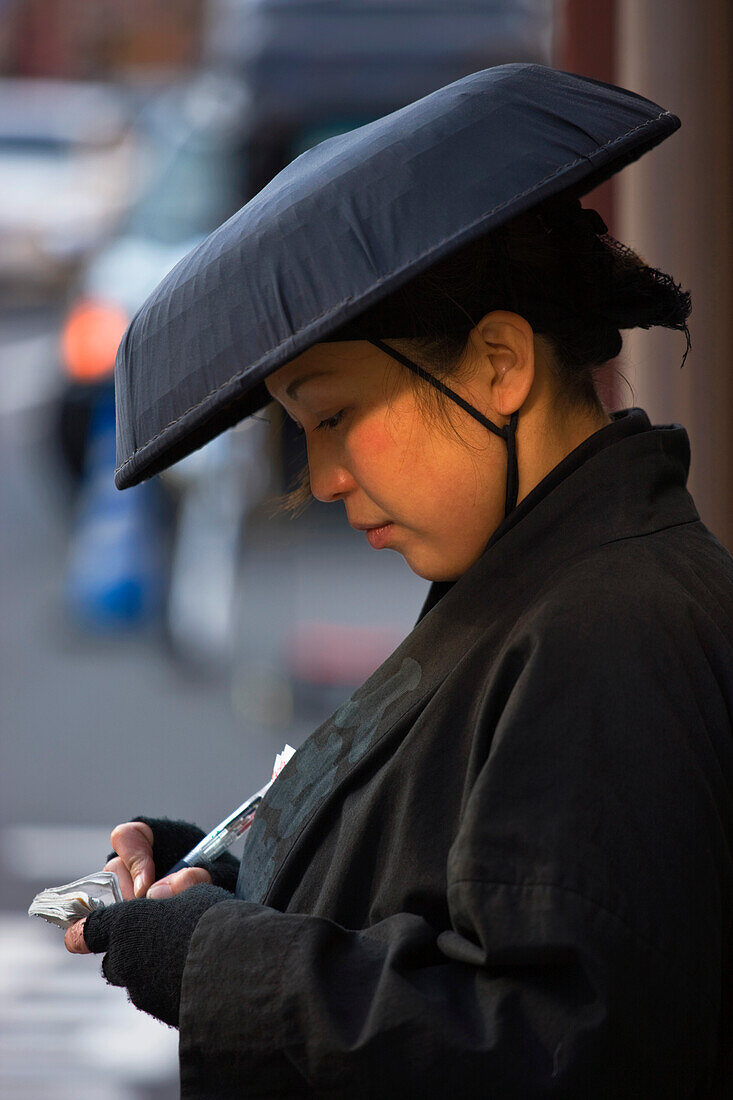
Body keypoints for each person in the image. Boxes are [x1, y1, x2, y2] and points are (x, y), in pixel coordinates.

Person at [65, 65, 733, 1097]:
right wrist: (241, 869)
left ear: (499, 365)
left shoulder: (613, 625)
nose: (324, 477)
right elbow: (452, 894)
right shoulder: (533, 581)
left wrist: (220, 957)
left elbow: (550, 1044)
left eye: (334, 416)